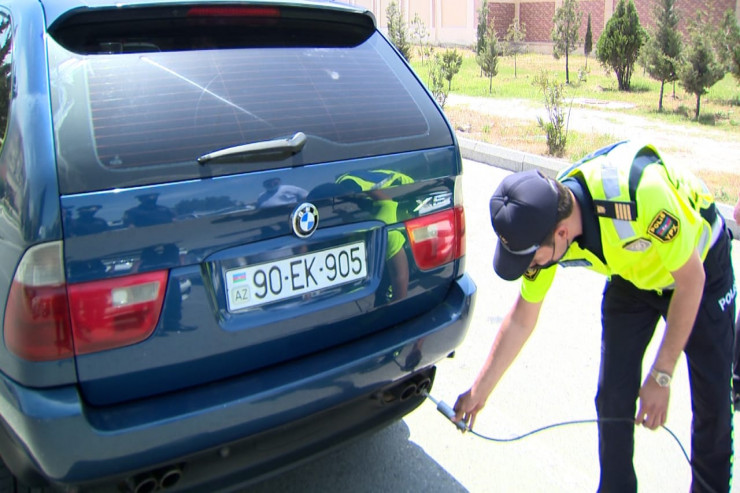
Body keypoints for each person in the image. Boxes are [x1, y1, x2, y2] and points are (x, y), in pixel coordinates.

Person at [454, 141, 735, 493]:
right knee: (613, 397)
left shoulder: (639, 194)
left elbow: (692, 282)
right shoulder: (545, 224)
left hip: (700, 269)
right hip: (633, 276)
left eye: (533, 259)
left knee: (712, 403)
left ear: (561, 234)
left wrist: (662, 374)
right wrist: (479, 390)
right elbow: (523, 317)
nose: (532, 267)